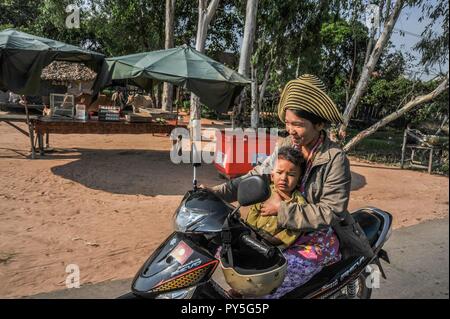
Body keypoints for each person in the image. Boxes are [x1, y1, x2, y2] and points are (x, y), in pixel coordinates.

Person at [211, 74, 373, 298]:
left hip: (316, 237)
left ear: (318, 124)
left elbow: (332, 211)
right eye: (287, 123)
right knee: (229, 254)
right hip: (275, 229)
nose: (290, 130)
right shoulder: (287, 144)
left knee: (268, 284)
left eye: (297, 124)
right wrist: (214, 194)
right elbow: (258, 174)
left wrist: (283, 209)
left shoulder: (335, 159)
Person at [246, 146, 306, 248]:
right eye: (279, 172)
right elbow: (253, 211)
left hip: (274, 246)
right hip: (252, 236)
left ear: (299, 180)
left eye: (291, 174)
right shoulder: (264, 192)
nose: (284, 178)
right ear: (272, 175)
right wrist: (250, 231)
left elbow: (296, 228)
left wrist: (277, 239)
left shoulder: (299, 203)